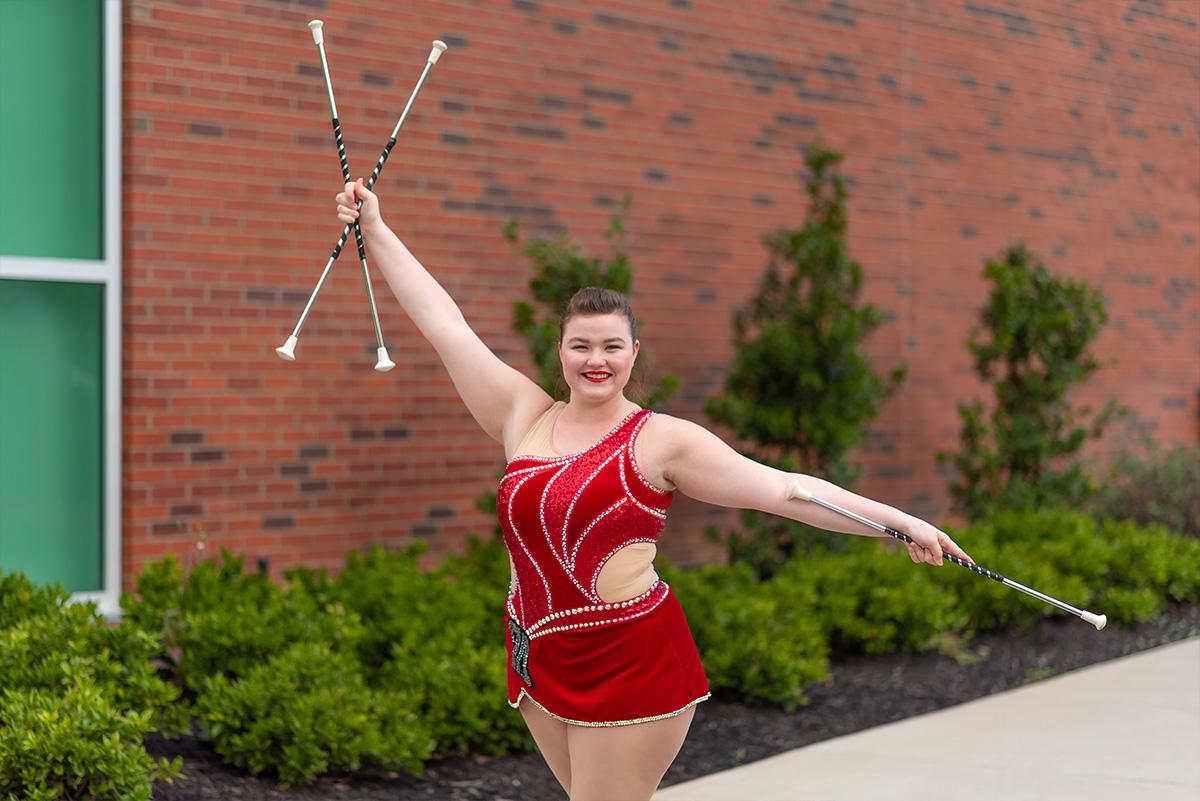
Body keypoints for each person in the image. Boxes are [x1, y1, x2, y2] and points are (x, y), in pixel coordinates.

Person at [335, 178, 975, 801]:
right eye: (581, 345)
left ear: (633, 353)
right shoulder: (522, 416)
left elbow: (786, 492)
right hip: (538, 655)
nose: (596, 360)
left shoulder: (661, 441)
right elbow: (445, 325)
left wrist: (902, 525)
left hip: (629, 657)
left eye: (612, 346)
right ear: (559, 351)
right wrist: (376, 229)